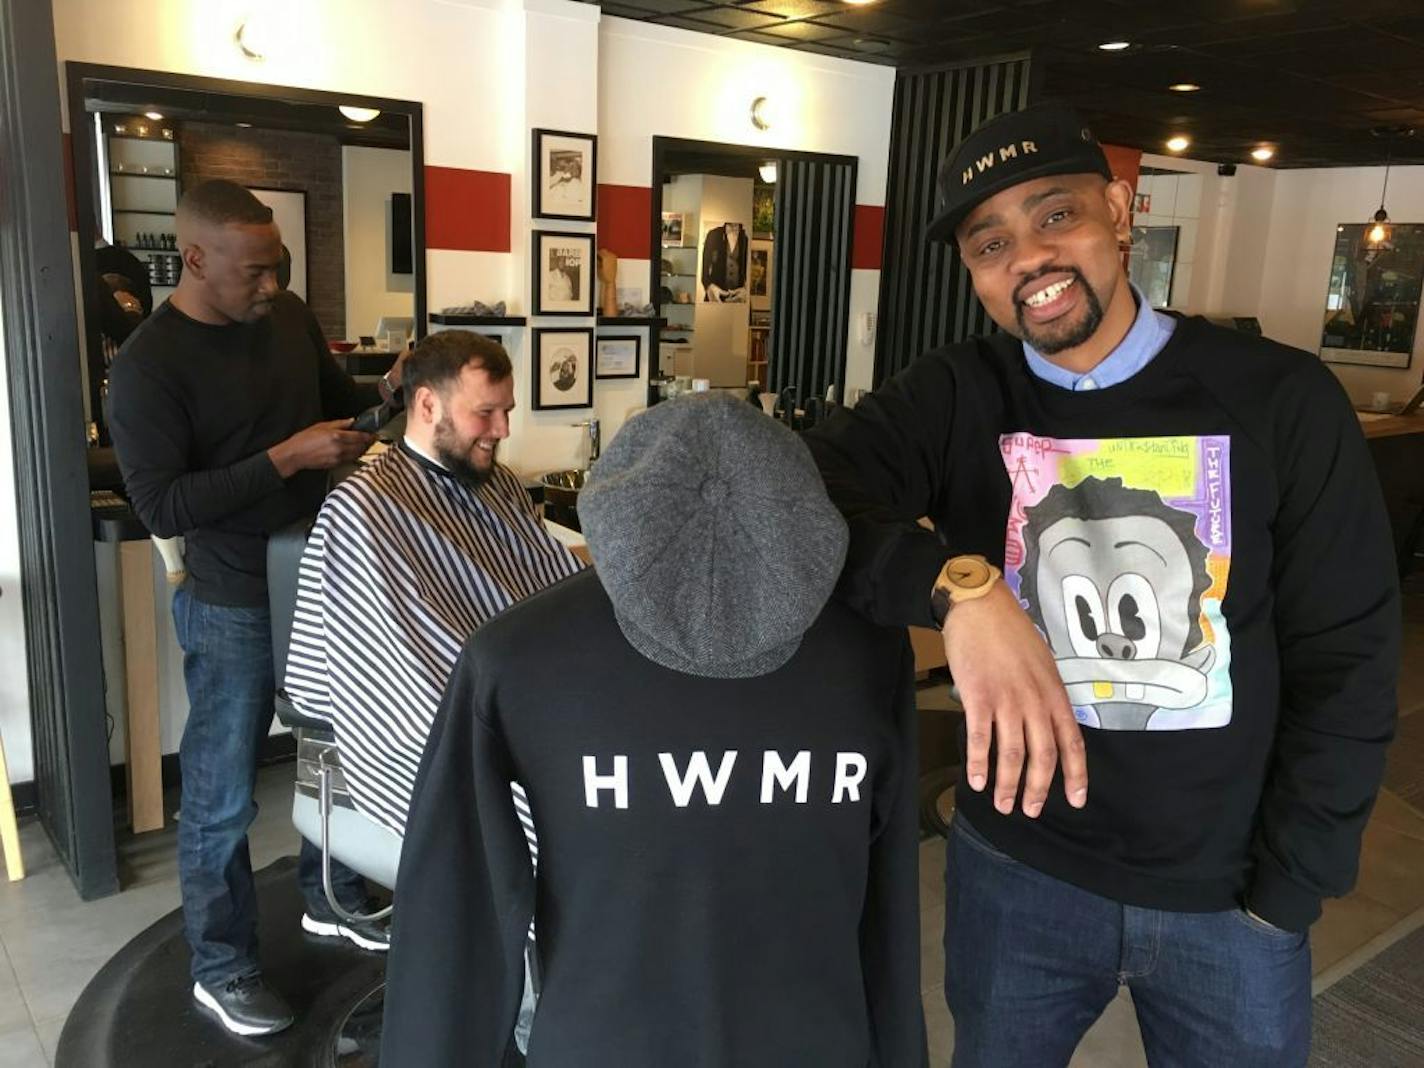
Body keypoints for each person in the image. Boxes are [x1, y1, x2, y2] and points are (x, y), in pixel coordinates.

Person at [806, 104, 1400, 1066]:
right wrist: (960, 589)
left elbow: (1351, 655)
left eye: (1056, 216)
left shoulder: (1279, 398)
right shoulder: (959, 391)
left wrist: (1292, 882)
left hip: (1228, 895)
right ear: (973, 272)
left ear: (1121, 211)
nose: (1029, 258)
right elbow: (806, 495)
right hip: (1018, 874)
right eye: (990, 241)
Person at [381, 392, 926, 1067]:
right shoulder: (515, 662)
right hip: (720, 1037)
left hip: (686, 1037)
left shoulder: (870, 657)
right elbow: (456, 911)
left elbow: (890, 904)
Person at [108, 178, 406, 1038]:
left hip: (317, 579)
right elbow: (163, 507)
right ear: (195, 257)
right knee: (221, 794)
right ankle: (222, 966)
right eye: (256, 272)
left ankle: (329, 894)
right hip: (232, 596)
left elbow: (325, 401)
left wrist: (378, 395)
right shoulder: (147, 367)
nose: (273, 286)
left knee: (331, 754)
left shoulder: (286, 315)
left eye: (278, 268)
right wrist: (285, 458)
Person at [284, 328, 583, 838]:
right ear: (426, 405)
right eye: (485, 412)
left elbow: (552, 591)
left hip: (527, 691)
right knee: (559, 796)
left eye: (507, 410)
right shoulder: (363, 508)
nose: (503, 428)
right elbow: (410, 671)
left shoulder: (498, 482)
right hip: (452, 710)